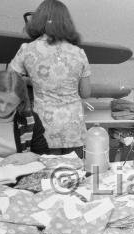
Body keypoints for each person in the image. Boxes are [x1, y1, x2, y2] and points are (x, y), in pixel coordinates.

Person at [10, 0, 92, 155]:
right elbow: (86, 93)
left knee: (47, 174)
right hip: (73, 126)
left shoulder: (27, 50)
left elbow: (9, 82)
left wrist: (31, 81)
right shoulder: (79, 53)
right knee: (73, 173)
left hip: (43, 125)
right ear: (66, 23)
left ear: (38, 20)